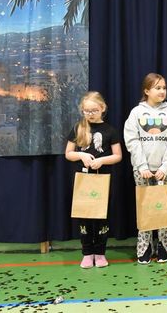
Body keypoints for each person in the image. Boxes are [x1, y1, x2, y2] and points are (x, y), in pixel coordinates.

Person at [124, 73, 167, 264]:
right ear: (147, 91)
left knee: (161, 207)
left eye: (164, 88)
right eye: (157, 88)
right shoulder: (136, 113)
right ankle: (145, 247)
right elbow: (132, 140)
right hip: (142, 170)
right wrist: (142, 165)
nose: (162, 91)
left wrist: (166, 166)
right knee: (145, 208)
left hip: (164, 171)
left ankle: (164, 246)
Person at [65, 91, 122, 269]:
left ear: (102, 108)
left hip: (103, 180)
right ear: (82, 110)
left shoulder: (110, 130)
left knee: (101, 218)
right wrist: (81, 155)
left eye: (94, 110)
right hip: (83, 180)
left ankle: (100, 253)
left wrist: (102, 160)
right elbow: (68, 153)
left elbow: (118, 156)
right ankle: (87, 253)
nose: (90, 114)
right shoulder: (78, 128)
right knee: (84, 218)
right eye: (86, 111)